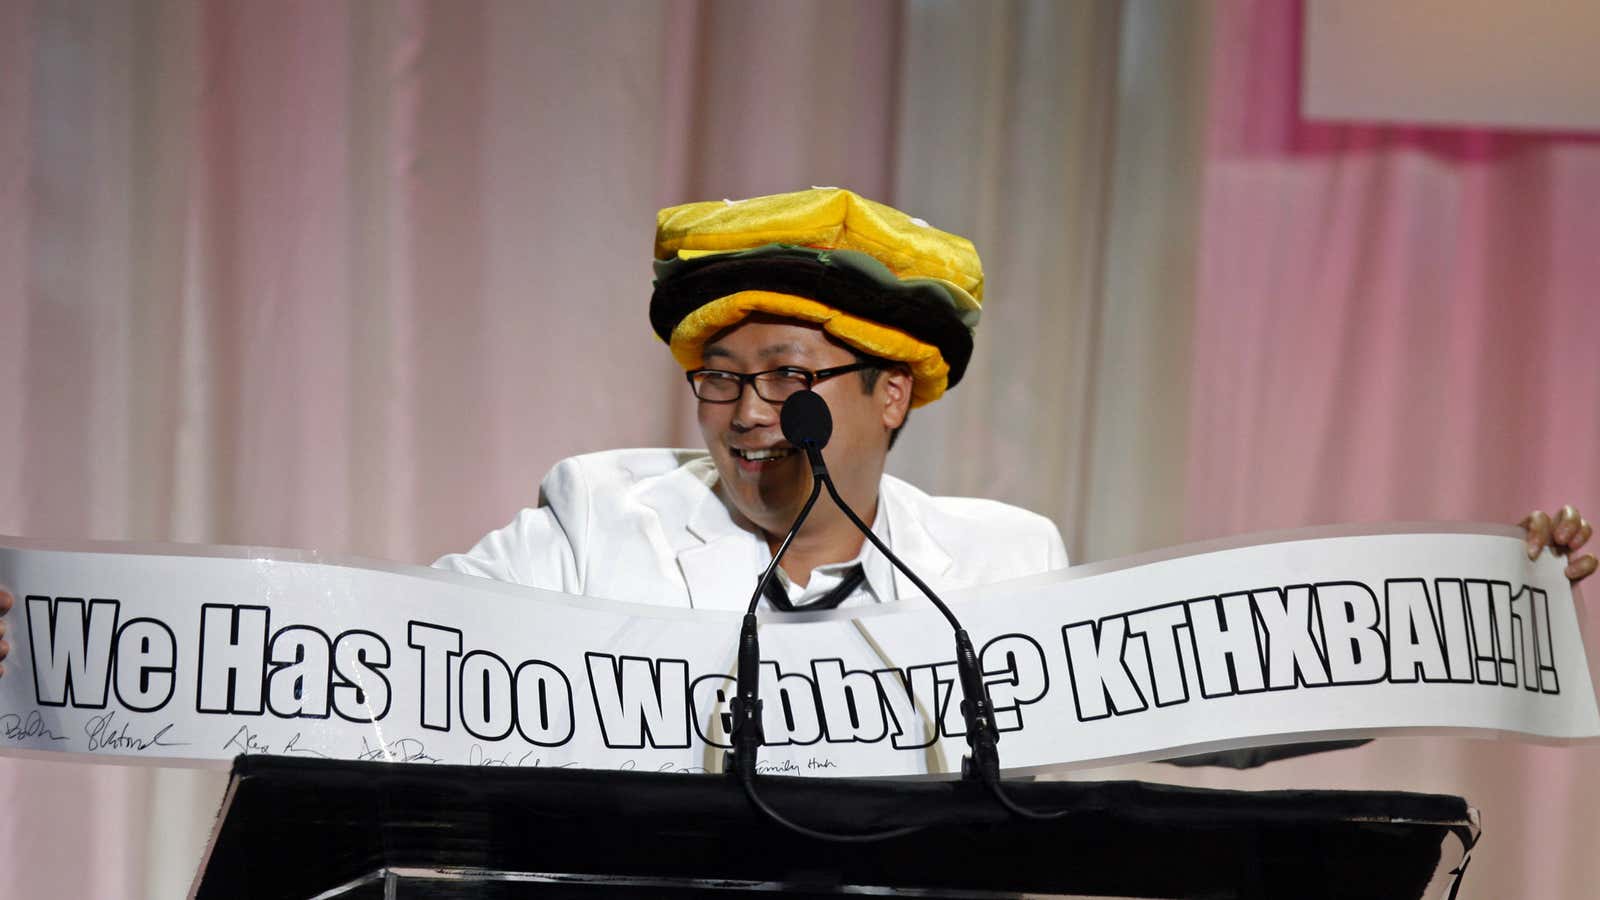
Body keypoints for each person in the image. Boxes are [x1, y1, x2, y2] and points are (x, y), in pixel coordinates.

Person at [0, 188, 1594, 674]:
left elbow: (1199, 686)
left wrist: (1490, 595)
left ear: (892, 393)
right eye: (723, 379)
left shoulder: (999, 558)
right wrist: (77, 636)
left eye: (791, 378)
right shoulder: (600, 511)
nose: (754, 413)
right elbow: (376, 645)